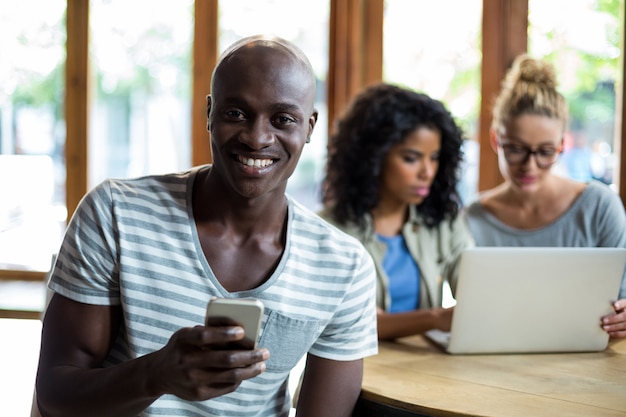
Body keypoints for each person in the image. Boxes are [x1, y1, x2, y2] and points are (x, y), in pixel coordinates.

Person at [35, 35, 378, 417]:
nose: (257, 137)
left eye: (282, 119)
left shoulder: (344, 267)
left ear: (310, 126)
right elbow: (55, 394)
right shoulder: (115, 213)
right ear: (210, 113)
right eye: (236, 113)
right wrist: (155, 375)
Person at [464, 54, 626, 339]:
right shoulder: (472, 218)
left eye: (545, 152)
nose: (530, 166)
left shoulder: (600, 207)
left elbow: (621, 298)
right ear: (495, 140)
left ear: (561, 146)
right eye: (515, 149)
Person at [319, 83, 474, 340]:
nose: (427, 172)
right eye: (411, 158)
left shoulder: (444, 221)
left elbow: (476, 291)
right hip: (351, 374)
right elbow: (358, 322)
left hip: (421, 371)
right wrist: (436, 318)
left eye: (434, 157)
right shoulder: (329, 231)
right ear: (373, 158)